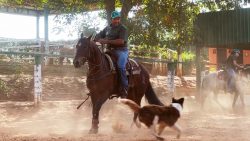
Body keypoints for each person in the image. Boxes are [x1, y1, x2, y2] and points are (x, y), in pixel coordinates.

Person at [95, 10, 129, 98]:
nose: (117, 20)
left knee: (121, 66)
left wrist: (105, 41)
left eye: (118, 18)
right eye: (115, 19)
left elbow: (121, 41)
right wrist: (95, 38)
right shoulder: (107, 28)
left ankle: (125, 88)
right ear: (112, 19)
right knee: (100, 62)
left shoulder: (123, 28)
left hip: (121, 51)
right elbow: (99, 35)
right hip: (110, 50)